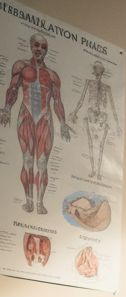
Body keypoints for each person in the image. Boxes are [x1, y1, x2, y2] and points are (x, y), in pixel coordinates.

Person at [1, 34, 73, 215]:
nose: (39, 49)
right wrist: (7, 108)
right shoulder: (21, 66)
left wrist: (63, 123)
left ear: (46, 50)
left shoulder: (53, 76)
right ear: (31, 46)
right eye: (36, 45)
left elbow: (57, 101)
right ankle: (29, 202)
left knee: (42, 164)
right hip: (25, 116)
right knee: (27, 161)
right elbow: (13, 88)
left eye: (43, 46)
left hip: (44, 119)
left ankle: (40, 203)